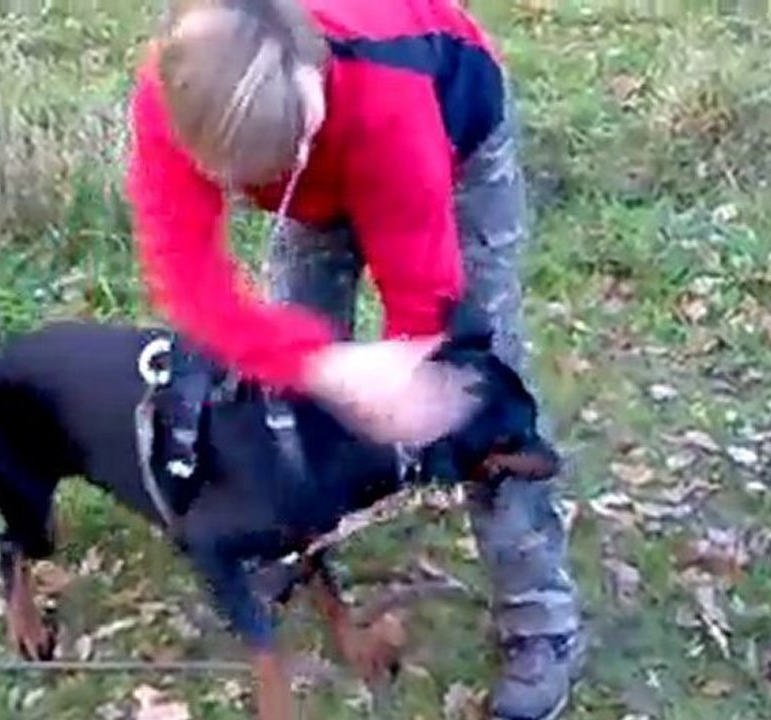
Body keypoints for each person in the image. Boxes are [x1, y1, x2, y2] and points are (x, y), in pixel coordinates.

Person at [125, 1, 584, 718]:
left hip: (451, 139)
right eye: (252, 173)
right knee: (279, 386)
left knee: (475, 390)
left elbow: (424, 292)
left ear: (311, 77)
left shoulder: (385, 89)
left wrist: (409, 368)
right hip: (318, 185)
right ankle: (295, 536)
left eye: (293, 143)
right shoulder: (181, 93)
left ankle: (540, 620)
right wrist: (312, 364)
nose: (283, 167)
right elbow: (189, 277)